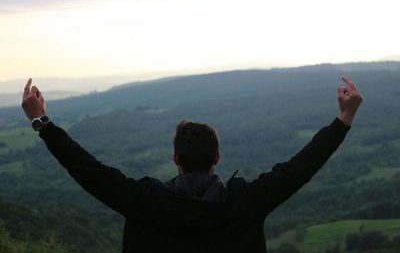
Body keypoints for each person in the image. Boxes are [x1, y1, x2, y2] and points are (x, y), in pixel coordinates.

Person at [21, 76, 363, 253]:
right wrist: (344, 118)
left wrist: (42, 122)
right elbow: (300, 168)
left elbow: (89, 171)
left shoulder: (145, 202)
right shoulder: (245, 202)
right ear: (217, 158)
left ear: (175, 159)